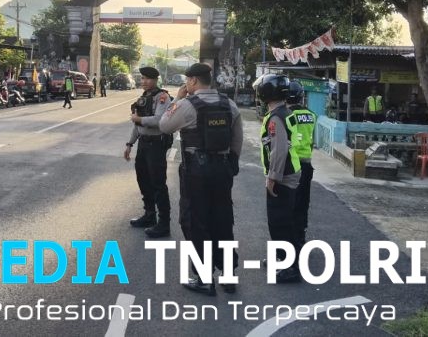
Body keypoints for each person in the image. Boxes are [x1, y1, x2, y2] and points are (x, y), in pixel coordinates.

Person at [159, 63, 243, 295]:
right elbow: (237, 138)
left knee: (195, 222)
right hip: (222, 169)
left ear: (194, 81)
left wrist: (177, 99)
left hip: (196, 171)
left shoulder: (187, 105)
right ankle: (228, 275)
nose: (186, 84)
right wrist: (231, 163)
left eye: (187, 80)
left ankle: (204, 279)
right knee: (223, 220)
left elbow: (164, 125)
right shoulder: (229, 104)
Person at [256, 73, 302, 283]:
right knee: (283, 220)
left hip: (283, 176)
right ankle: (283, 258)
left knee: (279, 223)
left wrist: (272, 177)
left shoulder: (276, 117)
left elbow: (279, 149)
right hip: (290, 172)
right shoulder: (285, 112)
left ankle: (290, 267)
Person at [124, 67, 173, 238]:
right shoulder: (144, 97)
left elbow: (159, 120)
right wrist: (130, 144)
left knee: (158, 184)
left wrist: (139, 119)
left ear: (155, 80)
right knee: (143, 180)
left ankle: (164, 223)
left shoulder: (162, 97)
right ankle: (149, 215)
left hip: (156, 145)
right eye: (142, 78)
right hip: (143, 145)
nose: (143, 81)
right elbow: (137, 126)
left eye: (147, 78)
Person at [286, 81, 316, 247]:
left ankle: (288, 243)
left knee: (288, 204)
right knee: (303, 203)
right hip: (307, 164)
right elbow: (312, 141)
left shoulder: (287, 116)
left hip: (292, 165)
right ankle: (300, 238)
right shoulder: (311, 115)